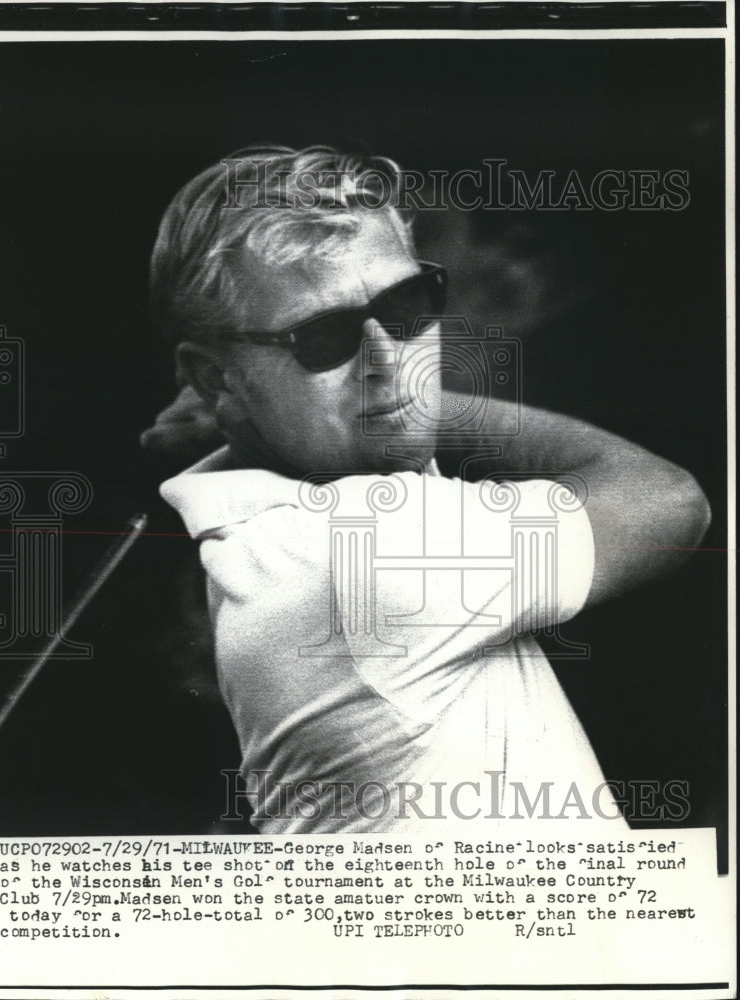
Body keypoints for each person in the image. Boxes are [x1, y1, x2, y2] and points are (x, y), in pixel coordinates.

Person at [147, 145, 711, 833]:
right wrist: (425, 399)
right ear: (211, 377)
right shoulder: (369, 548)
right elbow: (670, 502)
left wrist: (238, 409)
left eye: (407, 303)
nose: (386, 360)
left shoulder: (261, 530)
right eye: (322, 337)